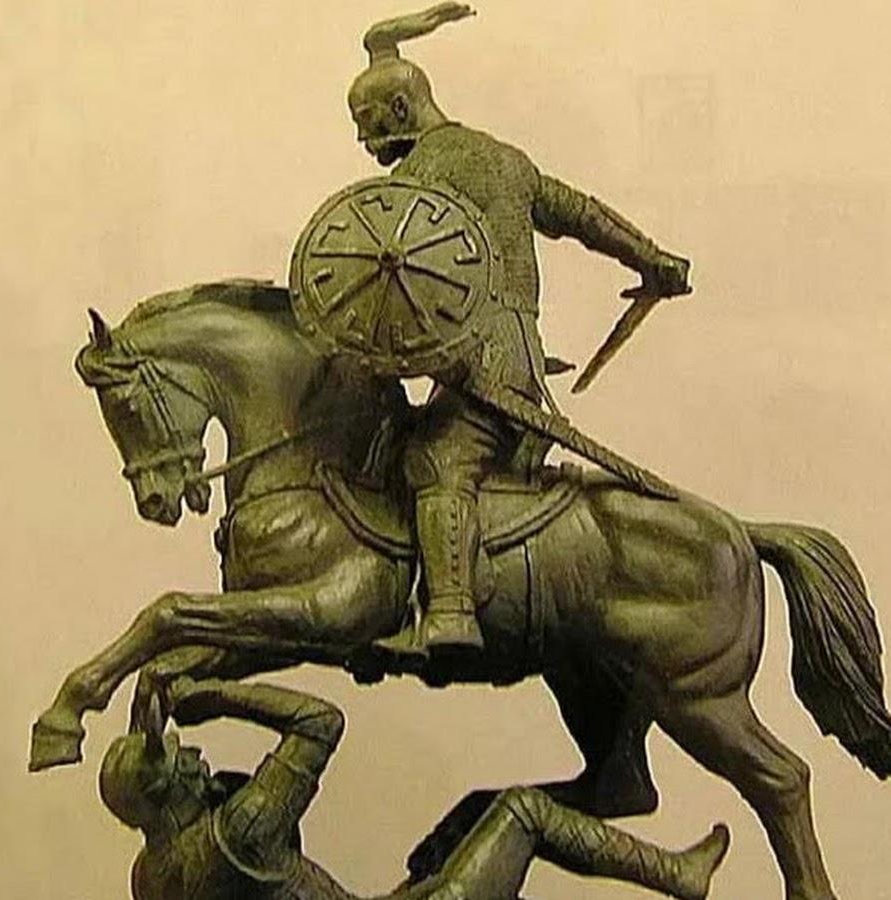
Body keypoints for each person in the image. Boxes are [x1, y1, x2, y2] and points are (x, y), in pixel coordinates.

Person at [345, 4, 692, 655]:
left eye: (370, 126)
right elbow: (582, 215)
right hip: (504, 357)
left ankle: (451, 613)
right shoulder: (507, 160)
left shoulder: (421, 179)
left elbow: (379, 277)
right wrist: (654, 261)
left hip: (491, 365)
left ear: (399, 111)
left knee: (439, 462)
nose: (368, 145)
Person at [99, 675, 730, 899]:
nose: (196, 756)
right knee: (522, 812)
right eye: (180, 761)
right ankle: (678, 875)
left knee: (474, 815)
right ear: (161, 794)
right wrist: (219, 695)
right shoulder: (238, 833)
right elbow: (320, 722)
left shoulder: (149, 876)